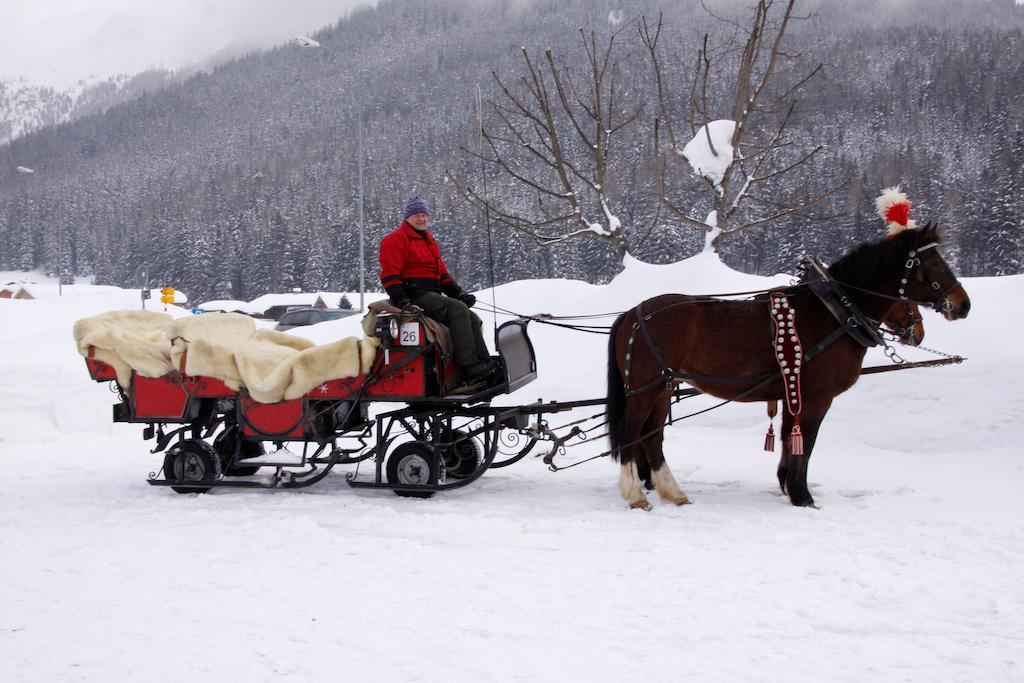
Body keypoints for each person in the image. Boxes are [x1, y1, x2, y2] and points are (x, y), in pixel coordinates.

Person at [379, 196, 496, 383]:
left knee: (470, 316)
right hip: (414, 295)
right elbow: (389, 274)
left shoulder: (429, 240)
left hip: (431, 293)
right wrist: (402, 300)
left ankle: (484, 362)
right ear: (407, 217)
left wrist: (459, 293)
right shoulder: (395, 240)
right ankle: (468, 366)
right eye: (417, 215)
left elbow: (442, 275)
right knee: (457, 310)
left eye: (424, 215)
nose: (422, 219)